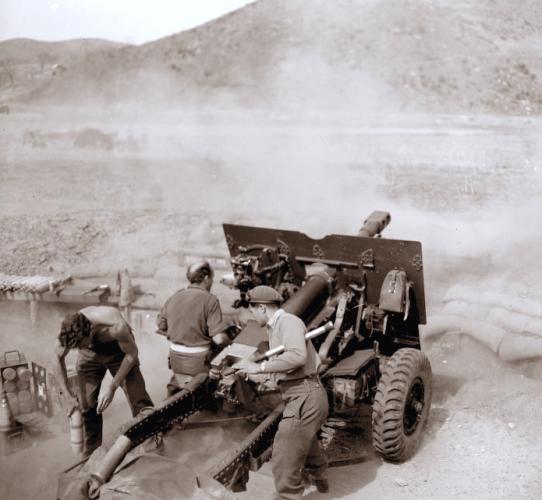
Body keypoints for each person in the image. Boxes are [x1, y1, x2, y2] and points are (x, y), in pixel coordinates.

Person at [232, 285, 330, 500]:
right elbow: (285, 370)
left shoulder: (287, 322)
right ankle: (320, 477)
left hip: (305, 396)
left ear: (261, 307)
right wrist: (253, 374)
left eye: (252, 310)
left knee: (284, 457)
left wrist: (260, 367)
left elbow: (297, 356)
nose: (251, 314)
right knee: (304, 437)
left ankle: (289, 496)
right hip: (303, 394)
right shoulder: (275, 326)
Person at [54, 305, 153, 458]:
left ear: (90, 331)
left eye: (80, 344)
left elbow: (132, 353)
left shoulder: (115, 326)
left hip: (120, 352)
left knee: (139, 400)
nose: (78, 348)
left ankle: (151, 445)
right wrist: (67, 397)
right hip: (90, 355)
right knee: (87, 405)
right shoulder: (71, 328)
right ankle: (92, 454)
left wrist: (112, 386)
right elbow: (56, 358)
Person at [156, 260, 231, 396]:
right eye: (212, 279)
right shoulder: (210, 300)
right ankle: (229, 404)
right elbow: (219, 339)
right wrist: (231, 345)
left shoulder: (175, 296)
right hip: (198, 363)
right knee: (229, 357)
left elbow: (161, 325)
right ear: (207, 278)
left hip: (175, 360)